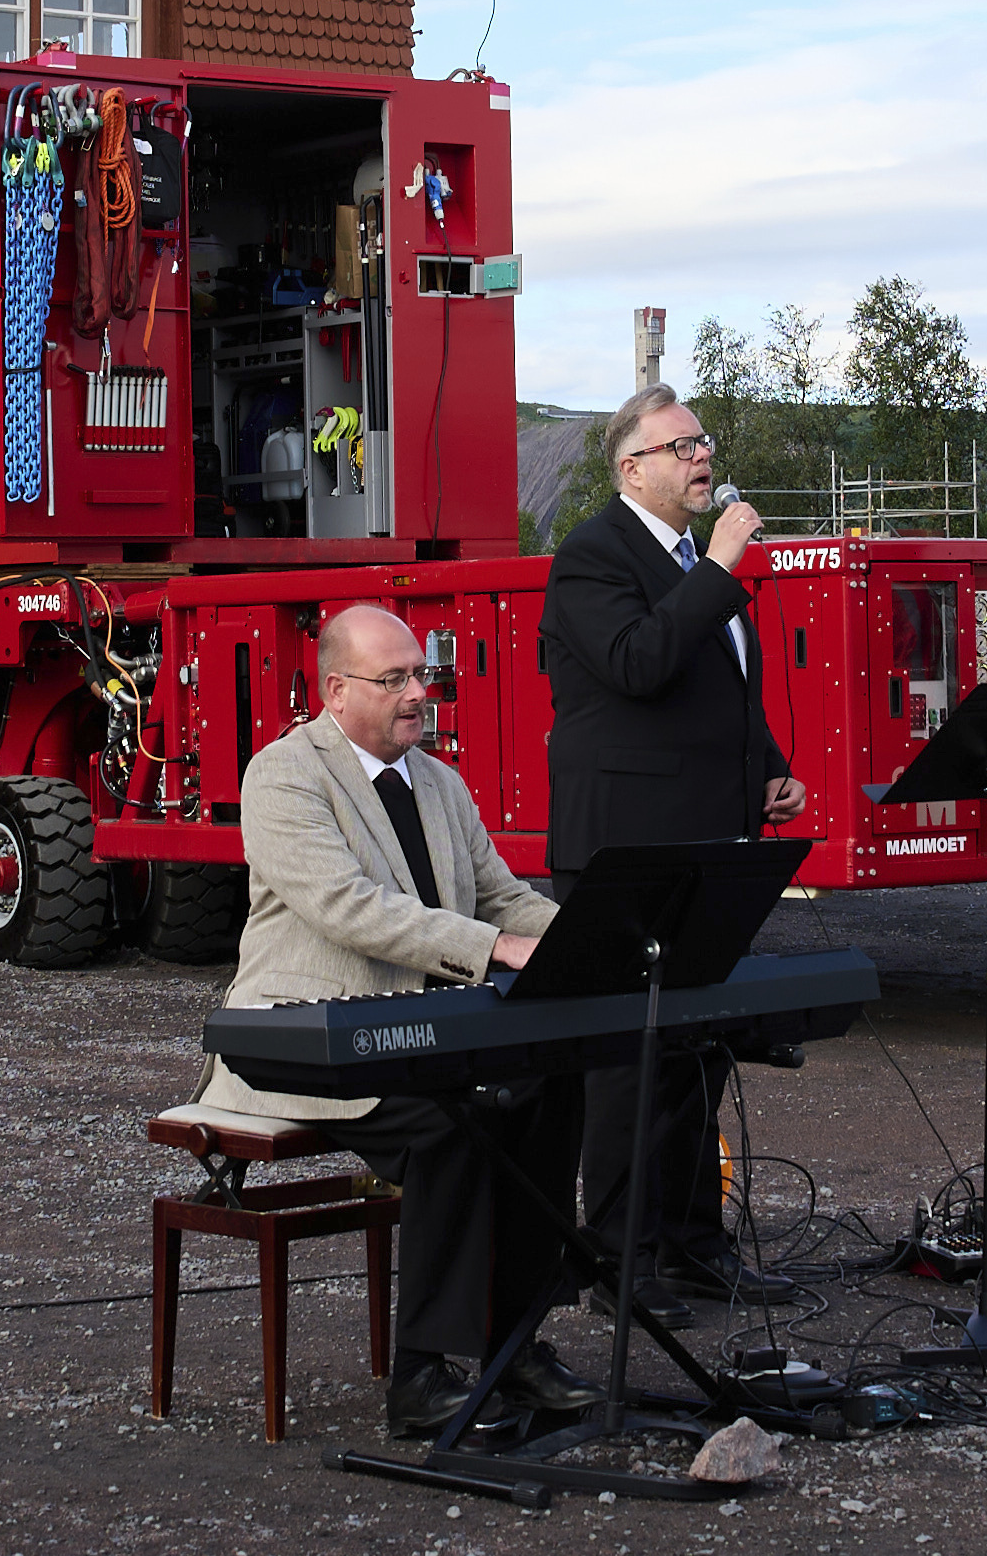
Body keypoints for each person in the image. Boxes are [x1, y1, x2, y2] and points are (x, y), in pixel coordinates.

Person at [196, 605, 596, 1438]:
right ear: (335, 690)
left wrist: (598, 936)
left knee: (551, 1084)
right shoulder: (282, 776)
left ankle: (514, 1342)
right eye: (395, 680)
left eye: (421, 676)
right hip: (299, 1037)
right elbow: (351, 910)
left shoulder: (439, 782)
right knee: (457, 1123)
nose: (419, 693)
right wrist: (498, 951)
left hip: (423, 1031)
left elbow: (503, 896)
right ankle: (419, 1375)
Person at [536, 385, 804, 1302]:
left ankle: (694, 1245)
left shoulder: (698, 561)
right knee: (626, 1062)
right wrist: (720, 570)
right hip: (626, 848)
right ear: (632, 467)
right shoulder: (590, 556)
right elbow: (638, 665)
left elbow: (723, 685)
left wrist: (766, 765)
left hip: (707, 838)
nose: (702, 458)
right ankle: (618, 1259)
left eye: (704, 441)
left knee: (696, 1051)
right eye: (682, 445)